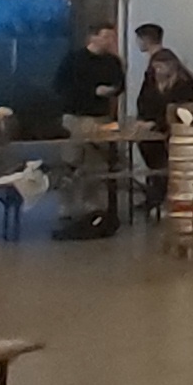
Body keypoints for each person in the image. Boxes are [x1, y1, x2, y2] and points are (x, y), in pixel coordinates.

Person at [52, 23, 129, 235]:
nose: (109, 41)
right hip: (75, 116)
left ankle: (91, 203)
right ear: (93, 37)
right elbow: (60, 85)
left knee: (96, 164)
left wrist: (112, 90)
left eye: (112, 37)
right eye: (106, 37)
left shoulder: (113, 62)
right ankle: (66, 204)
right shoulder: (74, 59)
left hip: (100, 117)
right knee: (70, 161)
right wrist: (92, 91)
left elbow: (120, 85)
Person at [133, 23, 193, 182]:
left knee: (165, 172)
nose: (157, 72)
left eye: (160, 68)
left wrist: (155, 123)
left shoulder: (183, 86)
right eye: (155, 69)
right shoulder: (156, 82)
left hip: (171, 134)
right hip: (153, 132)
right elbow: (144, 100)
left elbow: (182, 112)